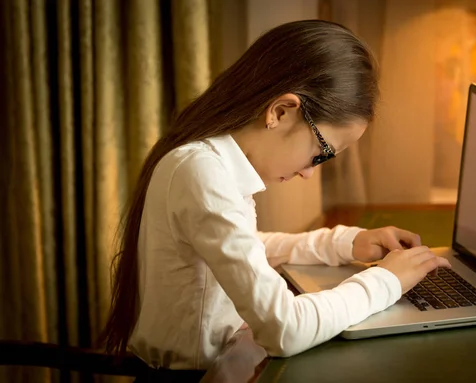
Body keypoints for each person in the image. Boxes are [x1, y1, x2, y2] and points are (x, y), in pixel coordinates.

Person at [100, 19, 451, 371]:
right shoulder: (203, 172)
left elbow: (244, 245)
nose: (310, 171)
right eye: (321, 152)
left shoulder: (206, 160)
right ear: (280, 112)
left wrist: (345, 243)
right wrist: (386, 281)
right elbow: (283, 328)